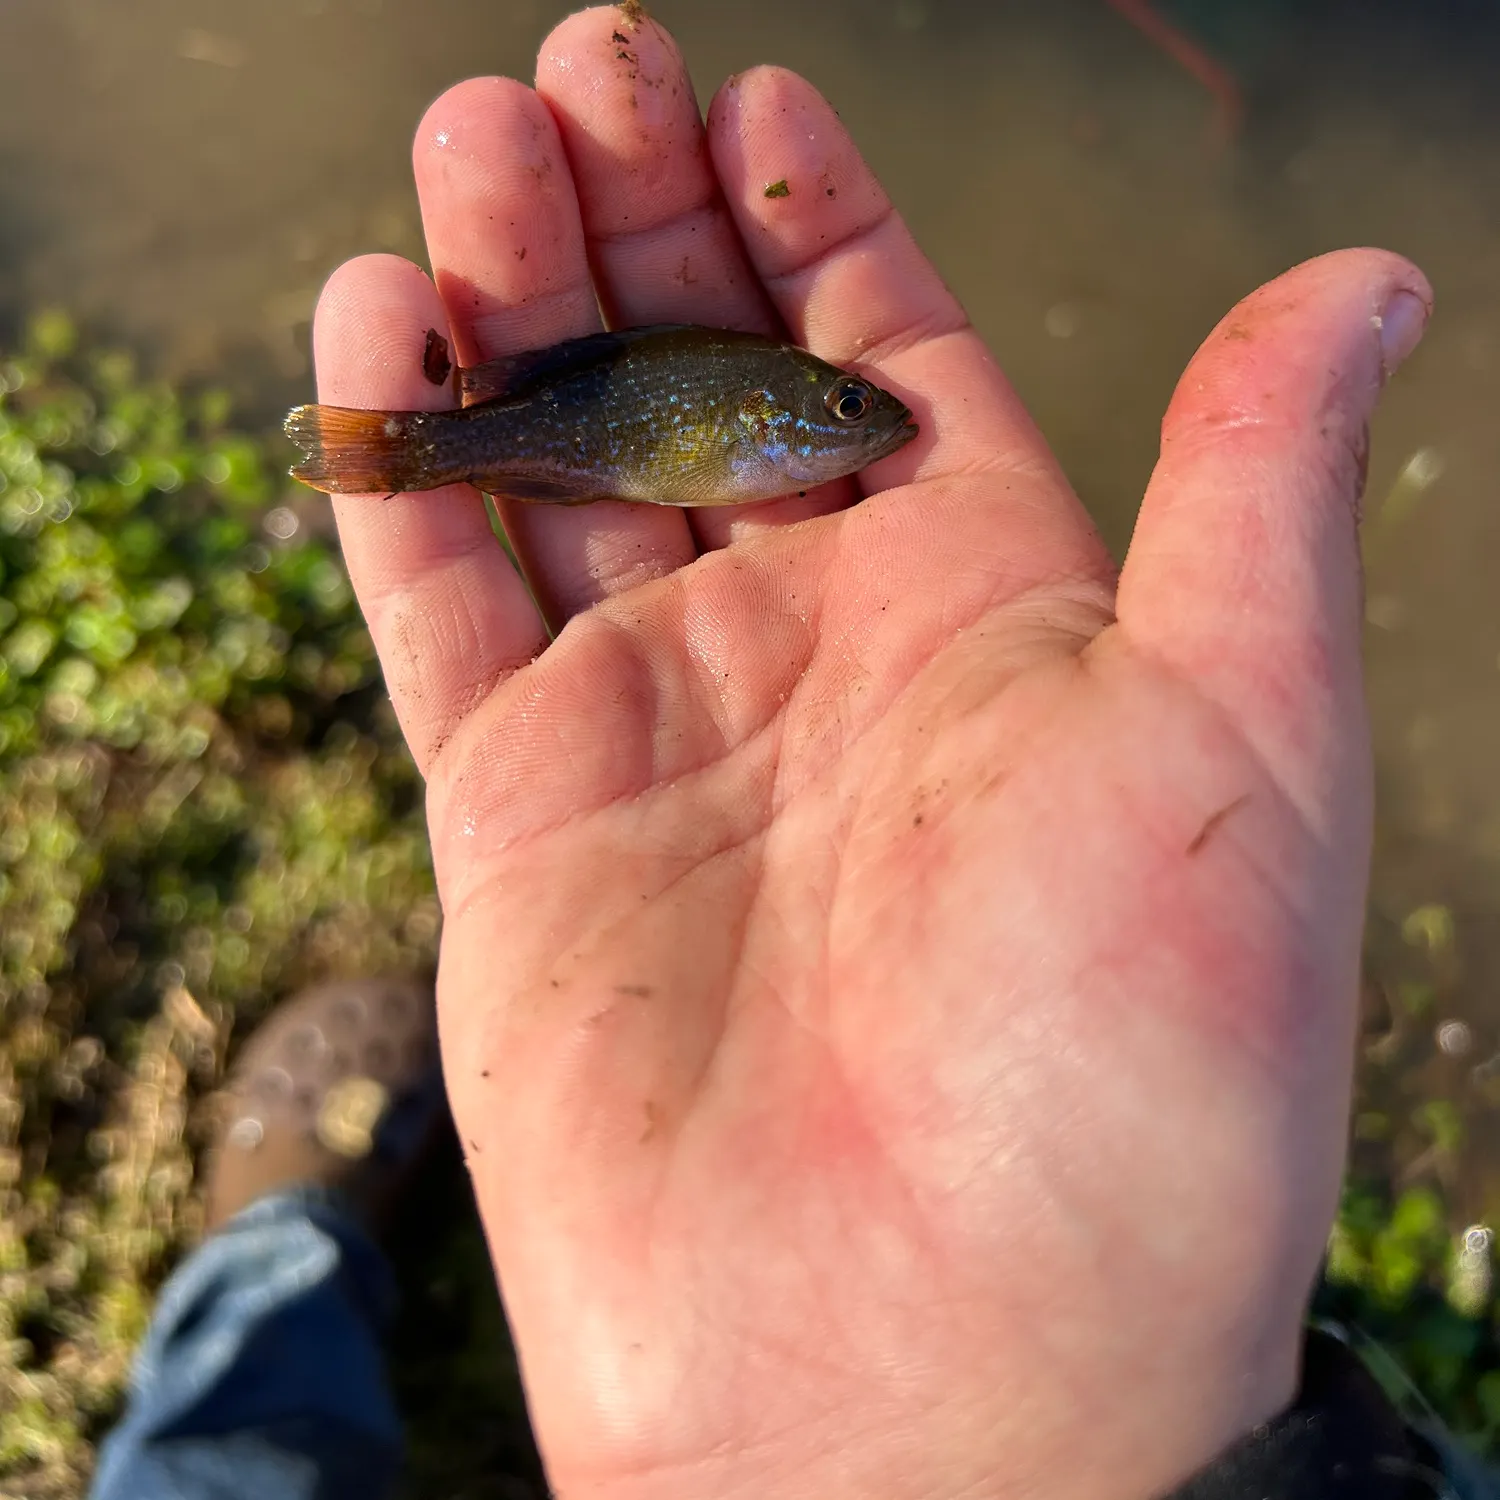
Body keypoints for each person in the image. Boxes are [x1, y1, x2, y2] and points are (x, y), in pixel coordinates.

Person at [90, 6, 1489, 1498]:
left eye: (848, 413)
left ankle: (272, 1275)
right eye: (839, 413)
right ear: (786, 415)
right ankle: (277, 1275)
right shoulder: (750, 411)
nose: (861, 428)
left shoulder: (781, 424)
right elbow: (694, 413)